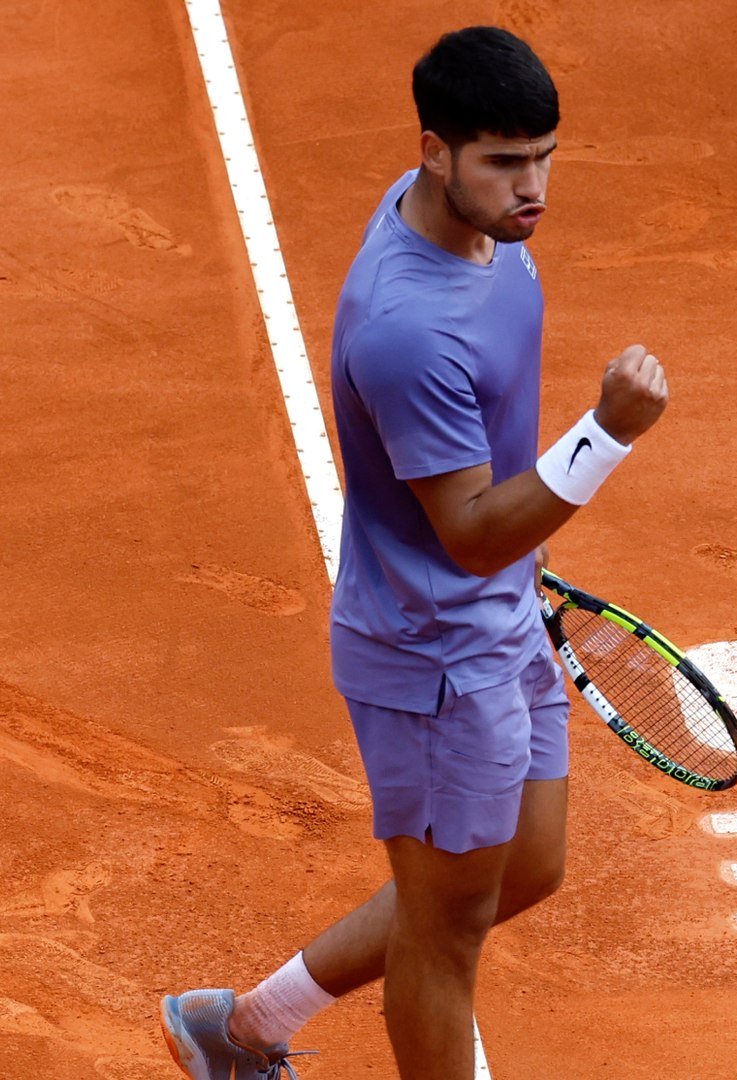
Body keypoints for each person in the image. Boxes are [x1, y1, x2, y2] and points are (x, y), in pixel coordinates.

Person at [161, 26, 668, 1080]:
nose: (532, 190)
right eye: (504, 162)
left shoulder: (469, 221)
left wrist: (523, 544)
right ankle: (242, 1037)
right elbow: (471, 533)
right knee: (444, 936)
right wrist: (605, 435)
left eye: (545, 158)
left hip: (496, 613)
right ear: (433, 152)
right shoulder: (407, 332)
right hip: (434, 659)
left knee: (524, 868)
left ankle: (241, 1028)